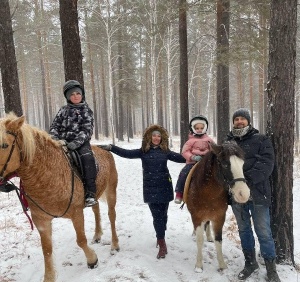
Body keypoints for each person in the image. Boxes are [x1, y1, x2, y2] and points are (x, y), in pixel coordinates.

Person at [99, 125, 185, 259]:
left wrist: (195, 156)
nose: (156, 138)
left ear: (161, 138)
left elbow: (182, 158)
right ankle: (162, 243)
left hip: (165, 186)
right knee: (157, 217)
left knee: (164, 215)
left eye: (158, 136)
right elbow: (126, 153)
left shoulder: (166, 152)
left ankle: (160, 235)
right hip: (150, 188)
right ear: (149, 138)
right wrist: (112, 148)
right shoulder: (143, 152)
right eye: (154, 136)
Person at [227, 108, 282, 282]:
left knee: (264, 232)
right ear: (233, 122)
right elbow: (224, 167)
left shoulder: (261, 140)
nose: (240, 121)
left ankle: (271, 270)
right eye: (237, 119)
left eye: (243, 118)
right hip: (236, 196)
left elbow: (267, 163)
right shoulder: (228, 142)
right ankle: (250, 263)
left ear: (249, 121)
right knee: (244, 230)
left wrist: (246, 180)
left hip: (258, 193)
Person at [49, 80, 98, 207]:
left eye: (78, 93)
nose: (76, 96)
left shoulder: (86, 110)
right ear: (67, 97)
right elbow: (55, 126)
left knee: (87, 158)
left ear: (82, 95)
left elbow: (87, 130)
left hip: (81, 143)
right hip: (61, 142)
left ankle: (90, 193)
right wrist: (54, 139)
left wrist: (76, 143)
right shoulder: (63, 110)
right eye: (72, 94)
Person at [174, 115, 214, 204]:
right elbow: (185, 151)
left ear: (205, 128)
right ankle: (179, 193)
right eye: (197, 128)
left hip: (207, 162)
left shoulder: (209, 140)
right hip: (192, 162)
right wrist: (193, 157)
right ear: (193, 128)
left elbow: (213, 149)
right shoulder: (190, 141)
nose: (199, 129)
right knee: (183, 173)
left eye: (201, 128)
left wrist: (211, 156)